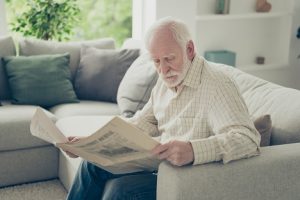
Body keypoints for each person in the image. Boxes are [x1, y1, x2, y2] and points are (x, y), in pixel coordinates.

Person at [65, 17, 261, 200]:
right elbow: (144, 122)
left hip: (192, 176)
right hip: (160, 165)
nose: (163, 70)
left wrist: (194, 150)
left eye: (169, 58)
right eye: (157, 61)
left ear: (190, 49)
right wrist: (91, 144)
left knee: (120, 190)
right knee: (91, 165)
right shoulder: (164, 82)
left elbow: (247, 139)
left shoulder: (217, 84)